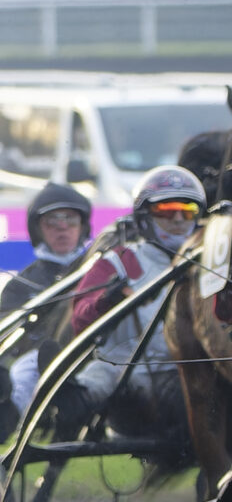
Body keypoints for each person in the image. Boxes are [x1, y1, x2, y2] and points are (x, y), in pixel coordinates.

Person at [58, 165, 205, 431]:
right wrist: (106, 300)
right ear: (144, 218)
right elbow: (79, 319)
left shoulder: (210, 265)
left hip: (185, 374)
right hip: (129, 378)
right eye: (167, 211)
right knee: (104, 374)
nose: (179, 219)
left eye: (188, 210)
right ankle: (72, 398)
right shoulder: (118, 261)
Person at [3, 182, 94, 420]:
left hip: (94, 354)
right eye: (52, 222)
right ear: (38, 229)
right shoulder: (21, 284)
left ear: (83, 227)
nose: (62, 229)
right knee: (25, 369)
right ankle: (9, 414)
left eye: (70, 220)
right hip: (39, 361)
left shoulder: (100, 271)